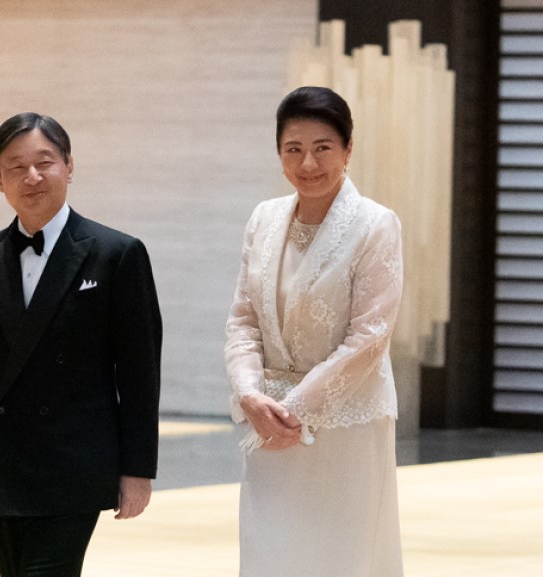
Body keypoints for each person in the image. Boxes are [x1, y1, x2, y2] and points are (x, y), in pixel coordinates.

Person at [0, 112, 163, 577]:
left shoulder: (116, 254)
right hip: (0, 467)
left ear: (69, 166)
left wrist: (137, 468)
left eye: (45, 162)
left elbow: (140, 372)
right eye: (15, 166)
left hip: (75, 467)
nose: (32, 176)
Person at [224, 86, 404, 576]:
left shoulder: (375, 225)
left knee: (340, 557)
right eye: (293, 149)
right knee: (272, 554)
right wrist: (249, 396)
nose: (308, 164)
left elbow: (369, 338)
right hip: (267, 424)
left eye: (323, 148)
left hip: (345, 425)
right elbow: (243, 320)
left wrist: (295, 410)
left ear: (348, 149)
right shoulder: (263, 219)